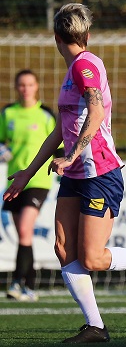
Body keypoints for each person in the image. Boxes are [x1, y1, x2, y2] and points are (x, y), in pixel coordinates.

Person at [3, 3, 126, 344]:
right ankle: (96, 327)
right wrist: (27, 173)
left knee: (91, 257)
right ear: (85, 35)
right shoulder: (73, 67)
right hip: (77, 174)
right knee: (63, 249)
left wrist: (71, 155)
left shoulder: (85, 65)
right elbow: (60, 129)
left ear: (56, 37)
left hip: (100, 173)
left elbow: (97, 107)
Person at [0, 69, 63, 302]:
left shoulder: (45, 115)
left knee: (26, 230)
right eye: (21, 85)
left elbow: (59, 142)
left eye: (30, 84)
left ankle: (17, 283)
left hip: (38, 180)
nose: (25, 89)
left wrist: (62, 163)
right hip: (15, 180)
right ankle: (29, 285)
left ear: (36, 87)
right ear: (17, 88)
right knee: (23, 236)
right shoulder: (8, 113)